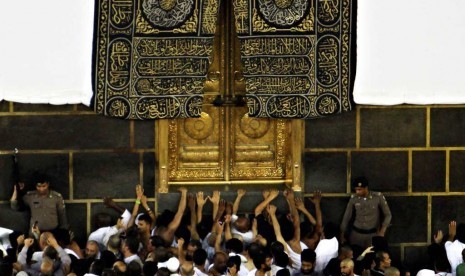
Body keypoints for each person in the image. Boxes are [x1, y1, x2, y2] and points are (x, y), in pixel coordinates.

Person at [340, 177, 392, 248]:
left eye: (359, 190)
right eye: (356, 190)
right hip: (356, 235)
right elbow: (346, 217)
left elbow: (388, 215)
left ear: (366, 188)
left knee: (371, 256)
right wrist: (342, 234)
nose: (357, 192)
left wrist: (382, 231)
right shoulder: (354, 198)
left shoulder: (377, 197)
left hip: (372, 235)